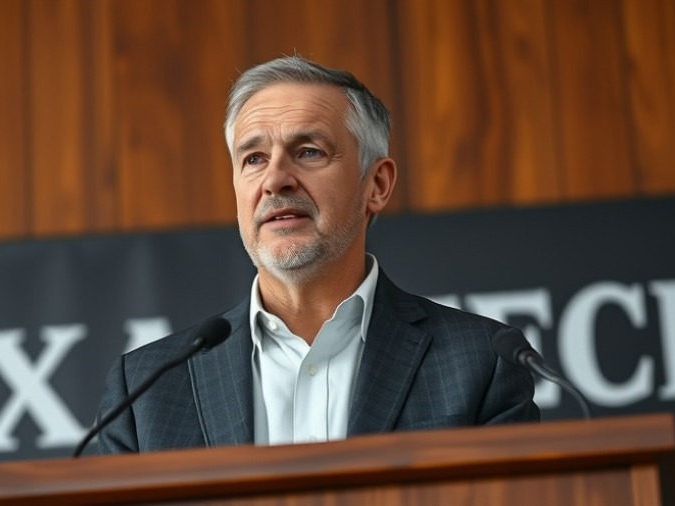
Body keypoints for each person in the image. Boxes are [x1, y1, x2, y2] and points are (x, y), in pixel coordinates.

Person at [96, 55, 540, 453]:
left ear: (377, 185)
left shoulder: (480, 363)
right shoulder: (143, 391)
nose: (275, 180)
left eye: (308, 152)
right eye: (253, 158)